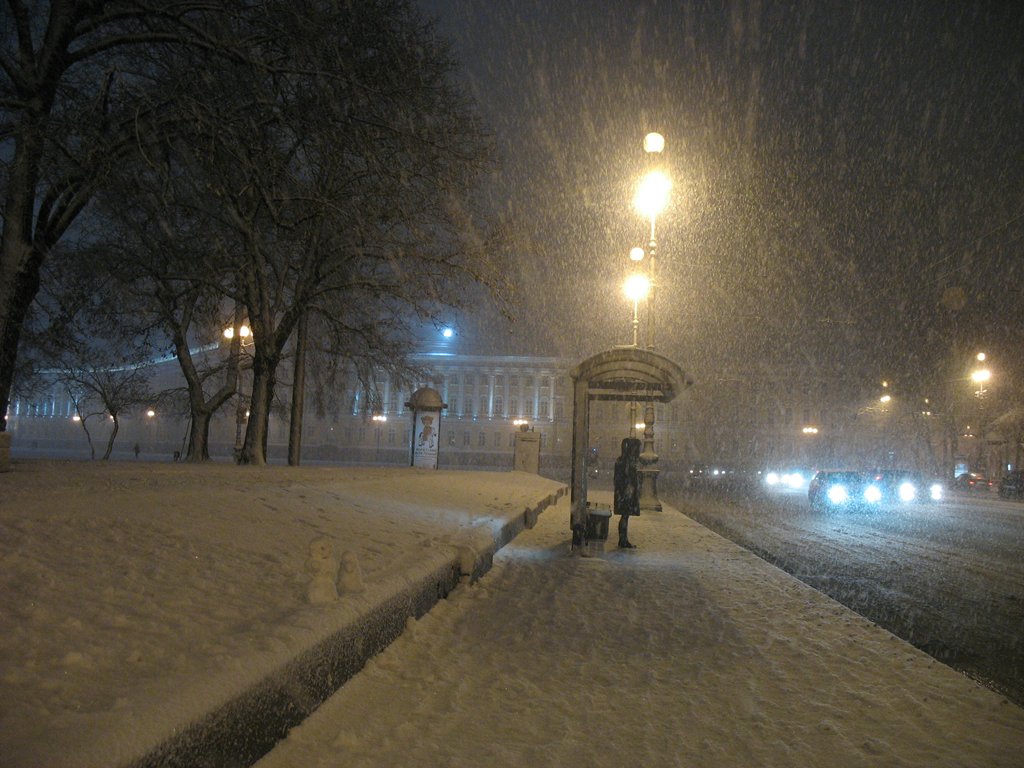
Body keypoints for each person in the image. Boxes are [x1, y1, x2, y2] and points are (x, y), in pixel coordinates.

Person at [613, 437, 641, 548]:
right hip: (626, 493)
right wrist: (627, 490)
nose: (637, 450)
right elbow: (624, 478)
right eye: (636, 447)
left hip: (625, 492)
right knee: (625, 516)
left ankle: (623, 539)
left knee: (625, 516)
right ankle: (622, 540)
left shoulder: (624, 460)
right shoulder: (627, 461)